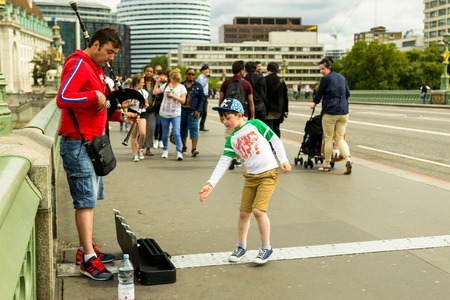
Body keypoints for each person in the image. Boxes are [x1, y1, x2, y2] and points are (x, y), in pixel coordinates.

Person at [56, 26, 136, 280]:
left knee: (89, 200)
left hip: (91, 144)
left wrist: (120, 114)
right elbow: (63, 97)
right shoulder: (79, 64)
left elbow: (101, 106)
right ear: (97, 44)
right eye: (109, 52)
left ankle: (86, 250)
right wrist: (93, 95)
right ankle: (88, 260)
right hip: (78, 144)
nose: (111, 57)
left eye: (114, 53)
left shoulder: (94, 68)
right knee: (85, 202)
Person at [199, 98, 291, 265]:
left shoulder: (255, 125)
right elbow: (223, 162)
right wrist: (210, 183)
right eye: (222, 118)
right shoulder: (232, 139)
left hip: (269, 173)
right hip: (250, 177)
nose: (224, 122)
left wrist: (283, 160)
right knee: (244, 213)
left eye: (228, 118)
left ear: (239, 115)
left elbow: (274, 140)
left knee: (258, 211)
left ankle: (266, 247)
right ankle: (241, 246)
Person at [310, 56, 352, 174]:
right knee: (339, 138)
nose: (321, 72)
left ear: (329, 67)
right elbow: (347, 93)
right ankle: (347, 160)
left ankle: (327, 164)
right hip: (344, 111)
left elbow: (319, 93)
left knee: (328, 138)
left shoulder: (325, 79)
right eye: (320, 69)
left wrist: (314, 103)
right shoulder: (342, 77)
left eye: (323, 69)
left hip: (330, 112)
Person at [219, 60, 254, 169]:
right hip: (241, 114)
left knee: (229, 136)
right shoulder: (246, 83)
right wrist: (252, 116)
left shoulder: (225, 83)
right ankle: (238, 159)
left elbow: (221, 99)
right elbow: (251, 101)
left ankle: (231, 156)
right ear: (241, 70)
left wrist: (221, 115)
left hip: (228, 114)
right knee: (241, 136)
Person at [153, 69, 187, 160]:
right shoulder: (166, 86)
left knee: (176, 132)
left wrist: (173, 96)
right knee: (165, 133)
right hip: (164, 112)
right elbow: (155, 92)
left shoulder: (181, 87)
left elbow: (183, 101)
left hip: (176, 113)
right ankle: (165, 150)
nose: (170, 79)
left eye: (172, 78)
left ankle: (179, 152)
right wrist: (157, 82)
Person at [123, 73, 149, 162]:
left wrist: (146, 105)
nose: (143, 84)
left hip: (142, 112)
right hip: (132, 112)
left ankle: (140, 148)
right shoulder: (129, 92)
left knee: (143, 133)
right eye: (142, 82)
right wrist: (131, 104)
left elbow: (147, 104)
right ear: (137, 83)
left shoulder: (144, 92)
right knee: (133, 134)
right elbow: (123, 105)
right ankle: (134, 154)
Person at [181, 68, 205, 156]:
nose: (191, 76)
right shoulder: (181, 85)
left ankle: (194, 148)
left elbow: (202, 99)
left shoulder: (198, 85)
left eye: (193, 74)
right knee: (183, 129)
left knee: (194, 128)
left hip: (193, 110)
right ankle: (184, 146)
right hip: (182, 110)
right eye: (189, 74)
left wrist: (198, 110)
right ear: (186, 75)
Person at [264, 62, 289, 138]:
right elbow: (285, 97)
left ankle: (269, 146)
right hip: (278, 109)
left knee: (268, 128)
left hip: (268, 109)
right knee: (276, 128)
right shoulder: (281, 81)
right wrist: (286, 109)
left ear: (268, 69)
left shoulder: (264, 80)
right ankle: (277, 146)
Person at [142, 65, 157, 156]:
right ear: (145, 72)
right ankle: (141, 147)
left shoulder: (155, 83)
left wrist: (154, 106)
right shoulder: (141, 82)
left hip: (152, 109)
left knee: (151, 128)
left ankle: (148, 148)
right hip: (142, 108)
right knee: (142, 129)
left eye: (151, 71)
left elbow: (158, 95)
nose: (149, 73)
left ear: (153, 73)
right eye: (147, 71)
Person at [153, 69, 166, 149]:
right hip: (157, 107)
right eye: (160, 75)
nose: (161, 77)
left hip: (164, 107)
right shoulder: (156, 83)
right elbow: (154, 92)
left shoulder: (167, 84)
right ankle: (156, 139)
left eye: (163, 75)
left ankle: (161, 140)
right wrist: (157, 82)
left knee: (162, 125)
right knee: (157, 124)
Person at [197, 65, 210, 131]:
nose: (207, 71)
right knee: (200, 112)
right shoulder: (200, 77)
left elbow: (206, 89)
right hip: (201, 96)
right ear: (202, 71)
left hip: (205, 96)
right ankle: (194, 124)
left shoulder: (206, 78)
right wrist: (206, 79)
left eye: (208, 69)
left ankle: (202, 126)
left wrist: (207, 99)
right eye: (206, 69)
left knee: (204, 112)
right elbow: (201, 86)